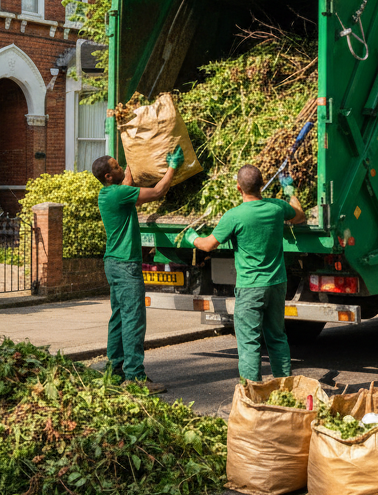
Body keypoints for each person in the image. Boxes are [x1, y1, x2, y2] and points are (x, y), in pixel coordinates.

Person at [193, 165, 306, 382]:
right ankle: (285, 387)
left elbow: (208, 245)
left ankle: (252, 394)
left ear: (238, 188)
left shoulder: (234, 216)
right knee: (277, 337)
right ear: (262, 185)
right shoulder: (277, 208)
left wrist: (192, 238)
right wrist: (290, 191)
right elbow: (299, 216)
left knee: (249, 342)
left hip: (250, 287)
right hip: (277, 284)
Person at [92, 149, 183, 393]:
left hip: (113, 263)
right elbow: (157, 192)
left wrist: (133, 158)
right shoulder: (120, 193)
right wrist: (172, 166)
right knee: (133, 319)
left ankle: (116, 368)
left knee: (119, 317)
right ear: (109, 176)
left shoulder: (108, 193)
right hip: (125, 265)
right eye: (117, 166)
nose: (121, 167)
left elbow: (128, 182)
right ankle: (135, 376)